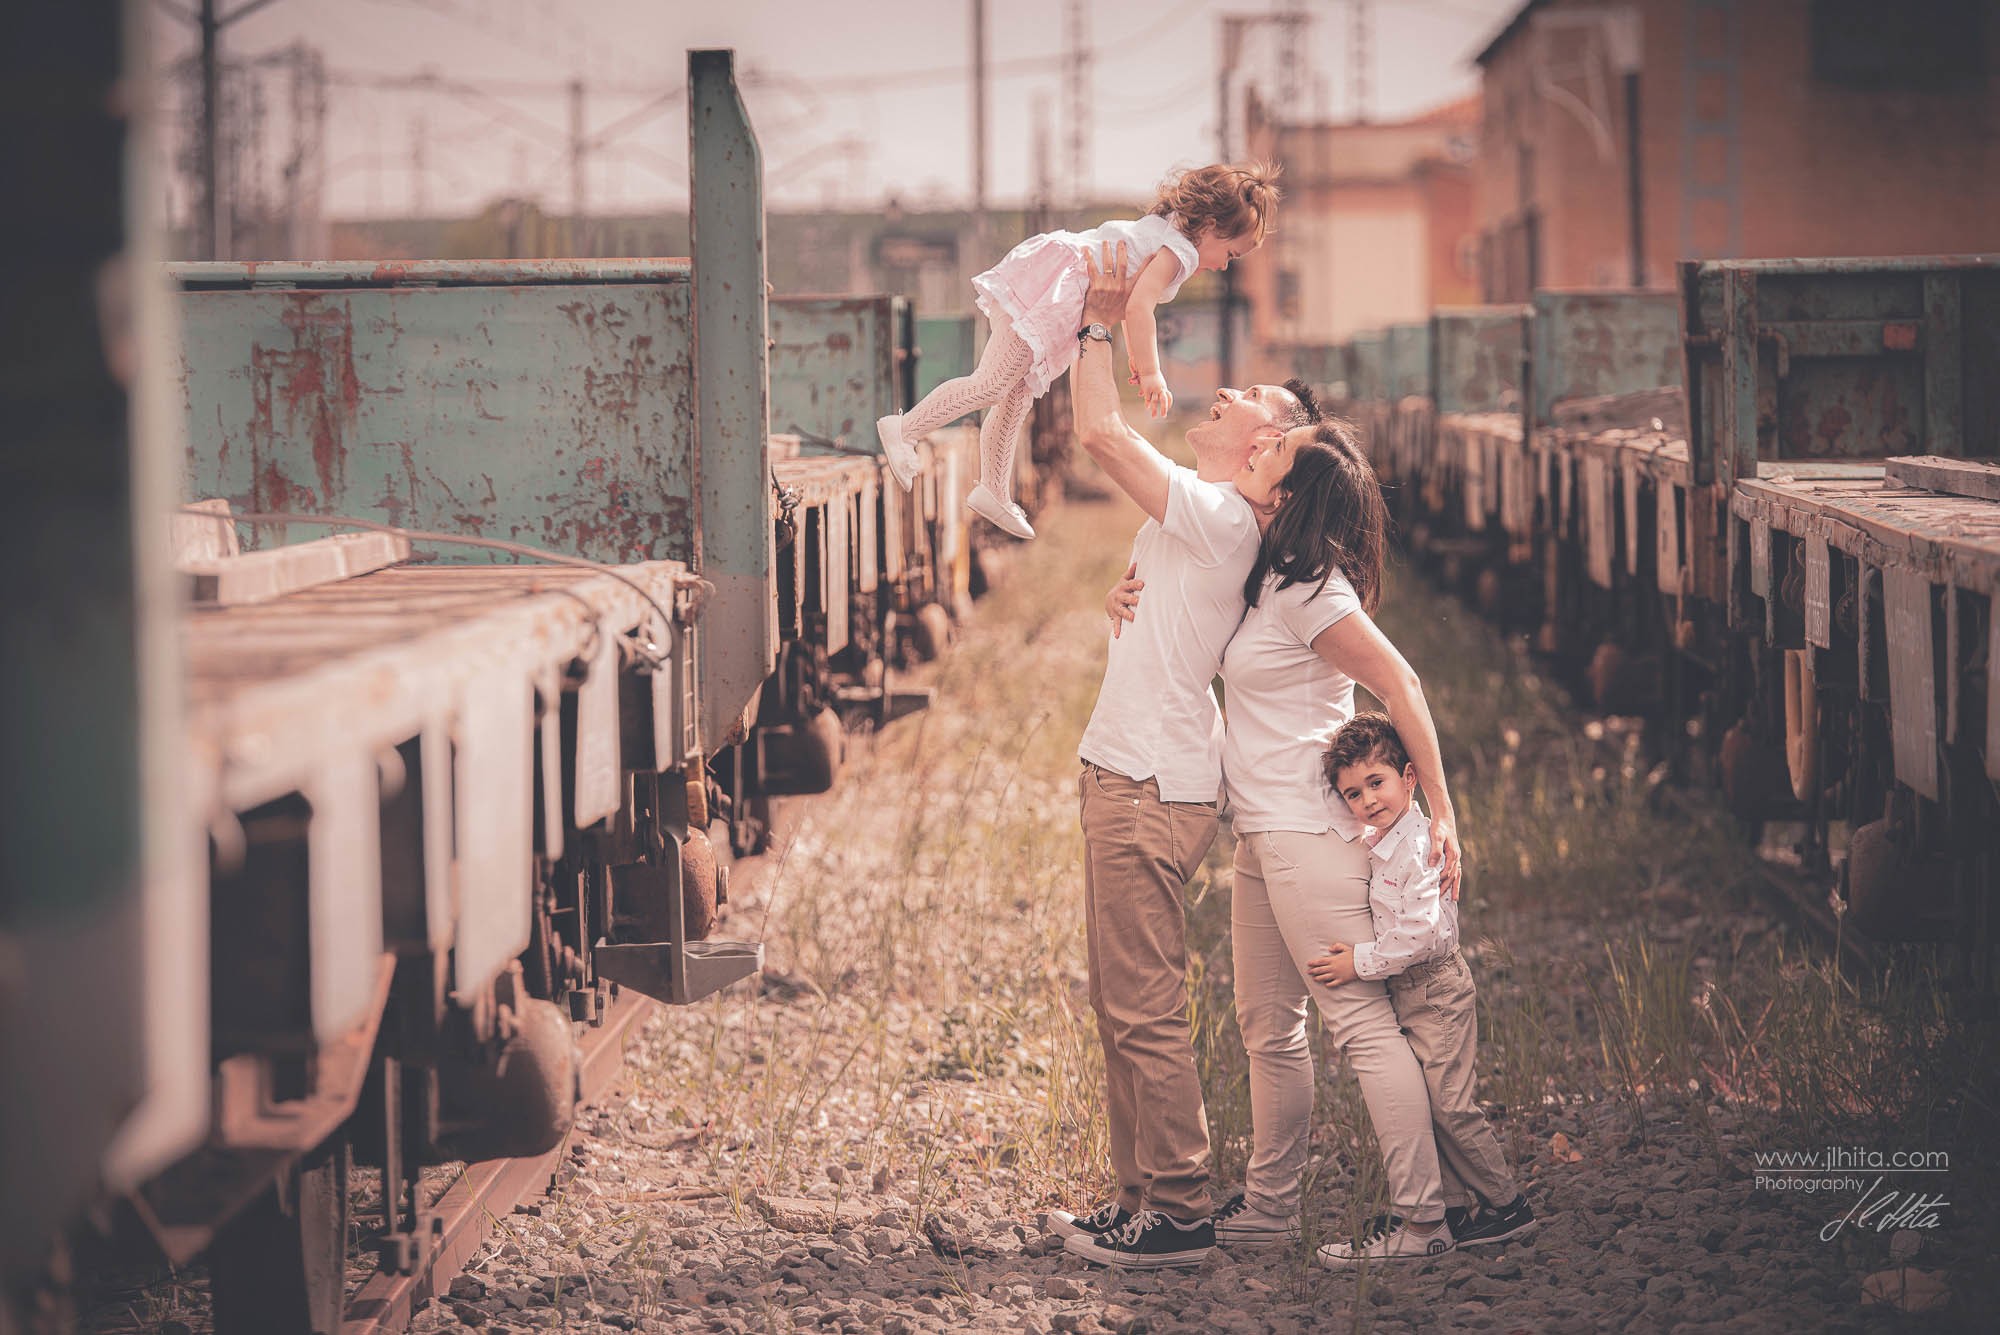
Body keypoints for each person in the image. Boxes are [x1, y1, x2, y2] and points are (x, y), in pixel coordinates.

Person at [1104, 412, 1467, 1266]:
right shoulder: (1270, 574)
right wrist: (1118, 591)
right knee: (1269, 1028)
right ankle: (1268, 1210)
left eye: (1278, 449)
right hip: (1262, 837)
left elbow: (1402, 682)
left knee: (1359, 1025)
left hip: (1308, 836)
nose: (1260, 442)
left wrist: (1442, 809)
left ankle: (1424, 1223)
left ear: (1290, 492)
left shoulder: (1315, 591)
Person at [1048, 242, 1316, 1271]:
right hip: (1139, 776)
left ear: (1271, 444)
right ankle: (1140, 1200)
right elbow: (1148, 590)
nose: (1229, 394)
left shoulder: (1216, 515)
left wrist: (1090, 322)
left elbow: (1097, 429)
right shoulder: (1203, 521)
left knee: (1144, 1009)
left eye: (1250, 397)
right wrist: (1119, 592)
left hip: (1148, 786)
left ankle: (1176, 1209)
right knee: (1125, 1005)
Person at [875, 162, 1280, 540]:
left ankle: (993, 489)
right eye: (1231, 254)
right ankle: (905, 429)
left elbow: (1127, 302)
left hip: (1060, 287)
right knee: (994, 384)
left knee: (1017, 396)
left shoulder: (1169, 229)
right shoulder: (1182, 253)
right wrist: (1153, 372)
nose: (1226, 266)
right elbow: (1140, 307)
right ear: (1210, 226)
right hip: (1058, 291)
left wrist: (1139, 361)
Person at [1307, 712, 1537, 1254]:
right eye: (1353, 793)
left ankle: (1507, 1205)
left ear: (1410, 779)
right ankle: (1453, 1209)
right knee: (1429, 1101)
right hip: (1409, 991)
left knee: (1451, 1104)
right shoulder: (1383, 840)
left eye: (1376, 783)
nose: (1366, 800)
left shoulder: (1417, 846)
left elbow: (1421, 935)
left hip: (1435, 989)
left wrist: (1358, 961)